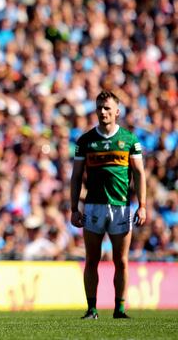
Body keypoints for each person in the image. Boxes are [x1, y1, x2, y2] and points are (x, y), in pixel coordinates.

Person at [70, 90, 147, 320]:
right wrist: (74, 208)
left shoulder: (129, 140)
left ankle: (119, 308)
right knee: (91, 259)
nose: (103, 112)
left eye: (107, 108)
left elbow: (139, 173)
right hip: (93, 206)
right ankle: (92, 308)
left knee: (121, 260)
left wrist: (142, 205)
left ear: (117, 112)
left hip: (121, 207)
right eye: (99, 108)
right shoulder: (85, 141)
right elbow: (76, 176)